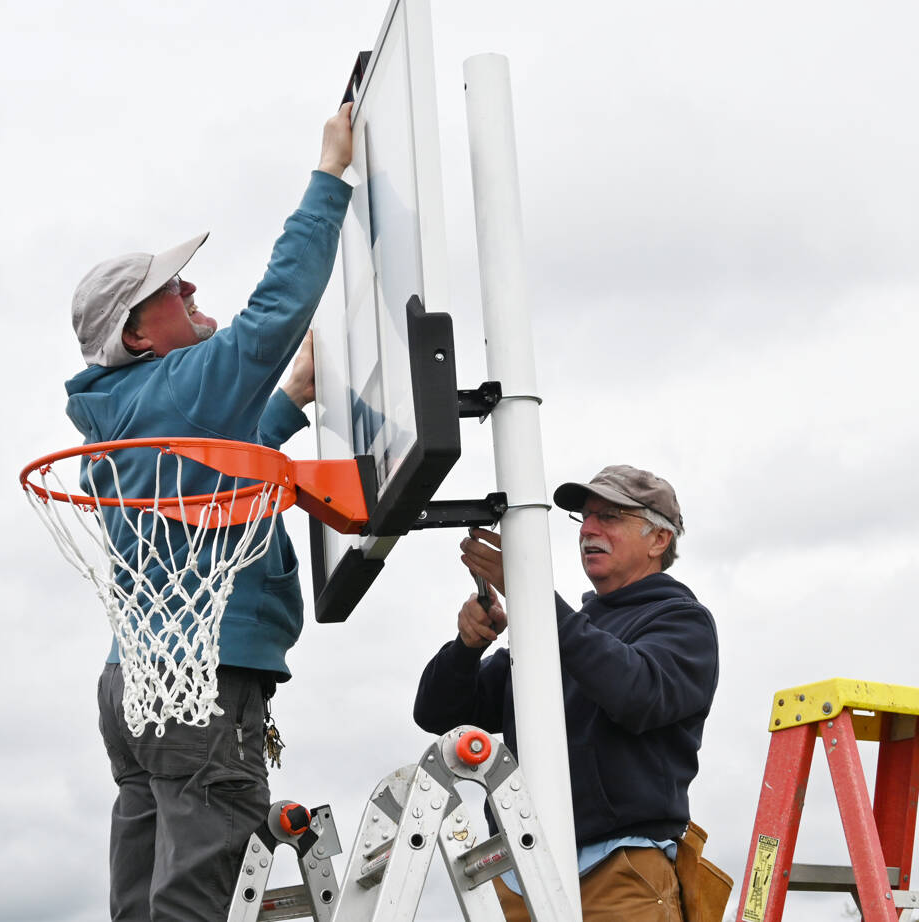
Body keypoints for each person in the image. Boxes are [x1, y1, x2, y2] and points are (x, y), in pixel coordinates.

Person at [66, 103, 353, 922]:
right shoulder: (179, 384)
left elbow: (206, 473)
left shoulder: (122, 413)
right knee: (199, 907)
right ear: (139, 335)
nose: (190, 286)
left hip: (134, 687)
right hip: (200, 688)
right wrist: (329, 176)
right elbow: (274, 313)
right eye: (167, 290)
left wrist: (289, 403)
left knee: (144, 906)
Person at [414, 465, 719, 921]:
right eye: (586, 518)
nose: (589, 530)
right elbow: (438, 713)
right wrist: (467, 647)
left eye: (611, 516)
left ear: (660, 540)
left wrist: (531, 594)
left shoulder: (682, 621)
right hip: (523, 876)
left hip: (620, 874)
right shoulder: (563, 632)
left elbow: (634, 693)